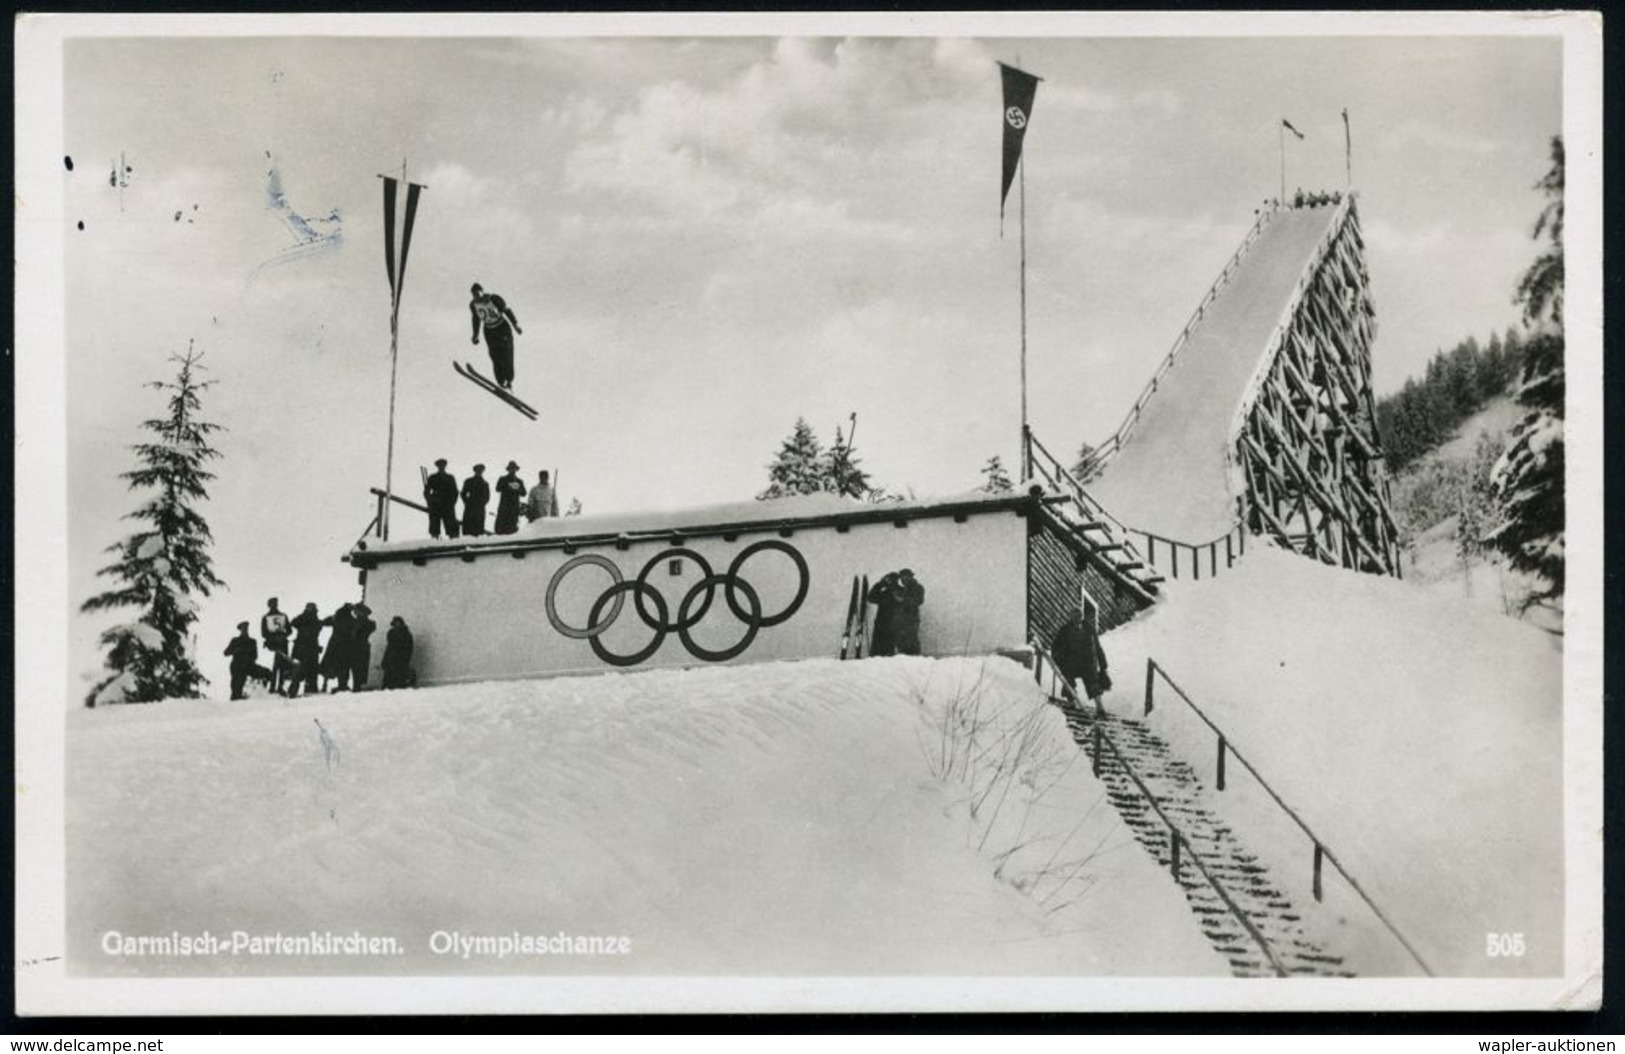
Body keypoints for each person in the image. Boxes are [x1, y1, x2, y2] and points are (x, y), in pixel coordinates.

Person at [1052, 601, 1111, 710]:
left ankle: (1100, 708)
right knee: (1068, 680)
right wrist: (1057, 659)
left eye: (1079, 617)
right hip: (1071, 663)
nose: (1077, 619)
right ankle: (1071, 702)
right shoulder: (1065, 630)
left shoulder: (1089, 630)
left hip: (1087, 663)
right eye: (1075, 617)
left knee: (1093, 684)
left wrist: (1103, 665)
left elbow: (1098, 648)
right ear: (1071, 618)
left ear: (1082, 617)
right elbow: (1055, 646)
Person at [469, 282, 523, 390]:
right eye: (474, 295)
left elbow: (506, 310)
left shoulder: (493, 298)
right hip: (489, 332)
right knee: (495, 357)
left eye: (478, 294)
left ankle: (509, 380)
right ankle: (500, 382)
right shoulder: (473, 305)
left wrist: (515, 325)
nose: (477, 297)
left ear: (482, 292)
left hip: (502, 329)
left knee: (506, 355)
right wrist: (475, 335)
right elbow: (476, 320)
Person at [320, 602, 357, 692]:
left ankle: (325, 684)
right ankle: (342, 685)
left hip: (334, 644)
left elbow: (324, 622)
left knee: (329, 664)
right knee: (344, 666)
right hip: (345, 645)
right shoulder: (352, 620)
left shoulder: (336, 617)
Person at [291, 602, 323, 695]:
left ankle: (294, 690)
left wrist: (304, 614)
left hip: (301, 648)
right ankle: (310, 689)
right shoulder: (316, 621)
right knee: (311, 670)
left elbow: (293, 622)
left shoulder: (302, 619)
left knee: (298, 670)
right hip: (312, 649)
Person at [259, 597, 291, 693]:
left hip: (282, 643)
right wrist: (272, 638)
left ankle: (280, 686)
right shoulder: (265, 617)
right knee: (275, 665)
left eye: (275, 604)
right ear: (269, 605)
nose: (274, 606)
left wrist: (283, 636)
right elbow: (263, 633)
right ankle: (272, 686)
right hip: (272, 644)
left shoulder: (283, 616)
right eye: (272, 604)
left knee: (283, 665)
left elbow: (289, 630)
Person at [424, 458, 460, 539]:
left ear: (445, 466)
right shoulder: (432, 477)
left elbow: (455, 492)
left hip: (448, 505)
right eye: (440, 466)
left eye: (443, 466)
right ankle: (435, 542)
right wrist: (430, 501)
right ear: (437, 466)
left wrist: (451, 503)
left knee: (451, 527)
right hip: (436, 505)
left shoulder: (450, 478)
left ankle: (453, 543)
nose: (441, 467)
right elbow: (426, 492)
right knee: (434, 528)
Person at [866, 572, 901, 657]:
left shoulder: (887, 592)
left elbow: (871, 597)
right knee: (887, 652)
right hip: (886, 624)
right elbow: (870, 597)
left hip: (888, 624)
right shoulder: (887, 592)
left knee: (881, 652)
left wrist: (880, 584)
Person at [892, 568, 925, 656]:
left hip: (911, 620)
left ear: (910, 577)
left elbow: (919, 600)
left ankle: (914, 662)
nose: (903, 580)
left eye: (905, 577)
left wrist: (902, 600)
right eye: (901, 578)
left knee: (911, 642)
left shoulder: (917, 587)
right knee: (902, 643)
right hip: (901, 621)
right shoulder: (902, 589)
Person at [223, 621, 258, 701]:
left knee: (266, 673)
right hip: (237, 665)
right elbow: (226, 652)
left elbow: (255, 656)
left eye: (246, 628)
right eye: (243, 629)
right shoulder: (235, 641)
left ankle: (258, 694)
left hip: (248, 665)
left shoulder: (252, 641)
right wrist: (236, 650)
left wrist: (249, 660)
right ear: (240, 630)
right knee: (236, 686)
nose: (245, 630)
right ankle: (235, 699)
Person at [381, 616, 416, 689]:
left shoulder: (406, 634)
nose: (396, 626)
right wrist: (385, 661)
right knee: (390, 678)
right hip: (392, 659)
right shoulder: (391, 633)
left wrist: (404, 658)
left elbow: (408, 648)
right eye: (395, 624)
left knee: (399, 678)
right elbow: (389, 648)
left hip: (400, 659)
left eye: (397, 623)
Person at [494, 461, 527, 535]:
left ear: (516, 470)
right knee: (501, 527)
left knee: (512, 528)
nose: (513, 470)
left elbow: (524, 493)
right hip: (504, 507)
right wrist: (508, 486)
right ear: (508, 469)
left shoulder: (519, 481)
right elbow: (497, 489)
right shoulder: (503, 479)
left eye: (514, 469)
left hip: (514, 508)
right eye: (511, 468)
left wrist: (518, 489)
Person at [350, 604, 377, 691]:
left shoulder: (368, 623)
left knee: (359, 669)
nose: (355, 613)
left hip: (359, 648)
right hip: (360, 648)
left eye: (357, 611)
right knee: (356, 669)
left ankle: (358, 687)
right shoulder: (359, 622)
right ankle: (357, 686)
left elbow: (355, 633)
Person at [460, 463, 490, 537]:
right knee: (468, 528)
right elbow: (463, 493)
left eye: (481, 470)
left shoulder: (485, 483)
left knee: (479, 529)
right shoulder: (469, 481)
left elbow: (487, 497)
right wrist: (467, 502)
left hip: (480, 508)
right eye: (478, 470)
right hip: (470, 507)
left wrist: (482, 503)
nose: (479, 472)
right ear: (475, 471)